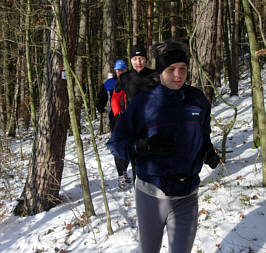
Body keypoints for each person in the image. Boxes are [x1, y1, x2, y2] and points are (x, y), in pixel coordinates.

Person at [107, 40, 220, 253]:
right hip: (152, 193)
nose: (178, 75)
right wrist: (143, 147)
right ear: (160, 71)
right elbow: (116, 144)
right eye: (171, 69)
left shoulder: (197, 100)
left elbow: (203, 136)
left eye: (183, 69)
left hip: (187, 194)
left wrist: (207, 152)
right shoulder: (143, 103)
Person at [111, 45, 157, 183]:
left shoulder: (155, 75)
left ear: (146, 59)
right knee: (137, 155)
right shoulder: (124, 78)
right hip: (134, 123)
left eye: (141, 58)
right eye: (135, 59)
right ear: (130, 60)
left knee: (153, 153)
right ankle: (139, 186)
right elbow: (115, 98)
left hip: (153, 122)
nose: (139, 62)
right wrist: (118, 115)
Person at [96, 59, 131, 191]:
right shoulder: (110, 83)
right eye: (118, 70)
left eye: (123, 69)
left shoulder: (132, 81)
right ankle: (120, 176)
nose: (121, 72)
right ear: (115, 71)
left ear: (126, 69)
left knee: (128, 147)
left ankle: (125, 171)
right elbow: (102, 97)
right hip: (115, 120)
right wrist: (99, 106)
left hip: (130, 119)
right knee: (118, 147)